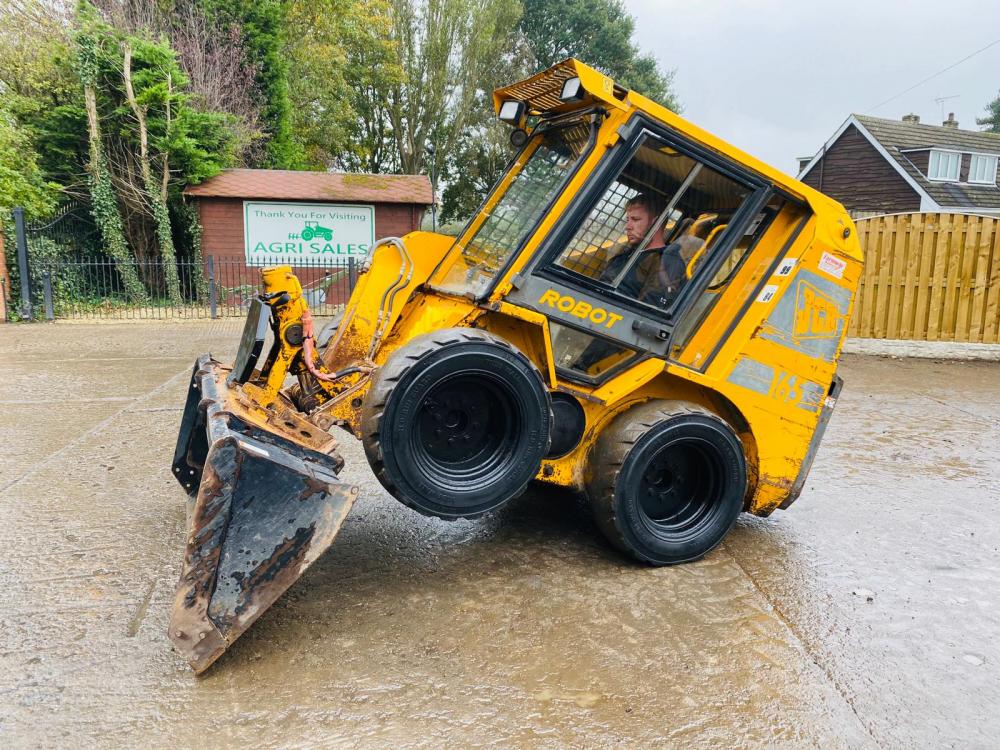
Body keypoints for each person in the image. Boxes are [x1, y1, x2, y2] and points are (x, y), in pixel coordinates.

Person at [600, 193, 687, 307]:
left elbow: (647, 312)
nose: (628, 226)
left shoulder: (667, 262)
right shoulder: (625, 255)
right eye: (628, 219)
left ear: (656, 223)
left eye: (635, 219)